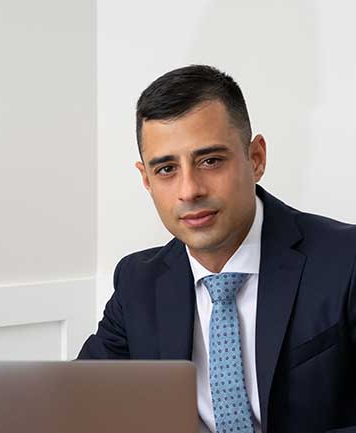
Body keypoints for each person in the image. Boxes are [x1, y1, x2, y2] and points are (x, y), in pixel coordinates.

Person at [79, 65, 356, 432]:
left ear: (256, 158)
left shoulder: (346, 261)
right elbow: (82, 402)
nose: (189, 190)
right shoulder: (137, 282)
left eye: (210, 161)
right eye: (166, 169)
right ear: (145, 178)